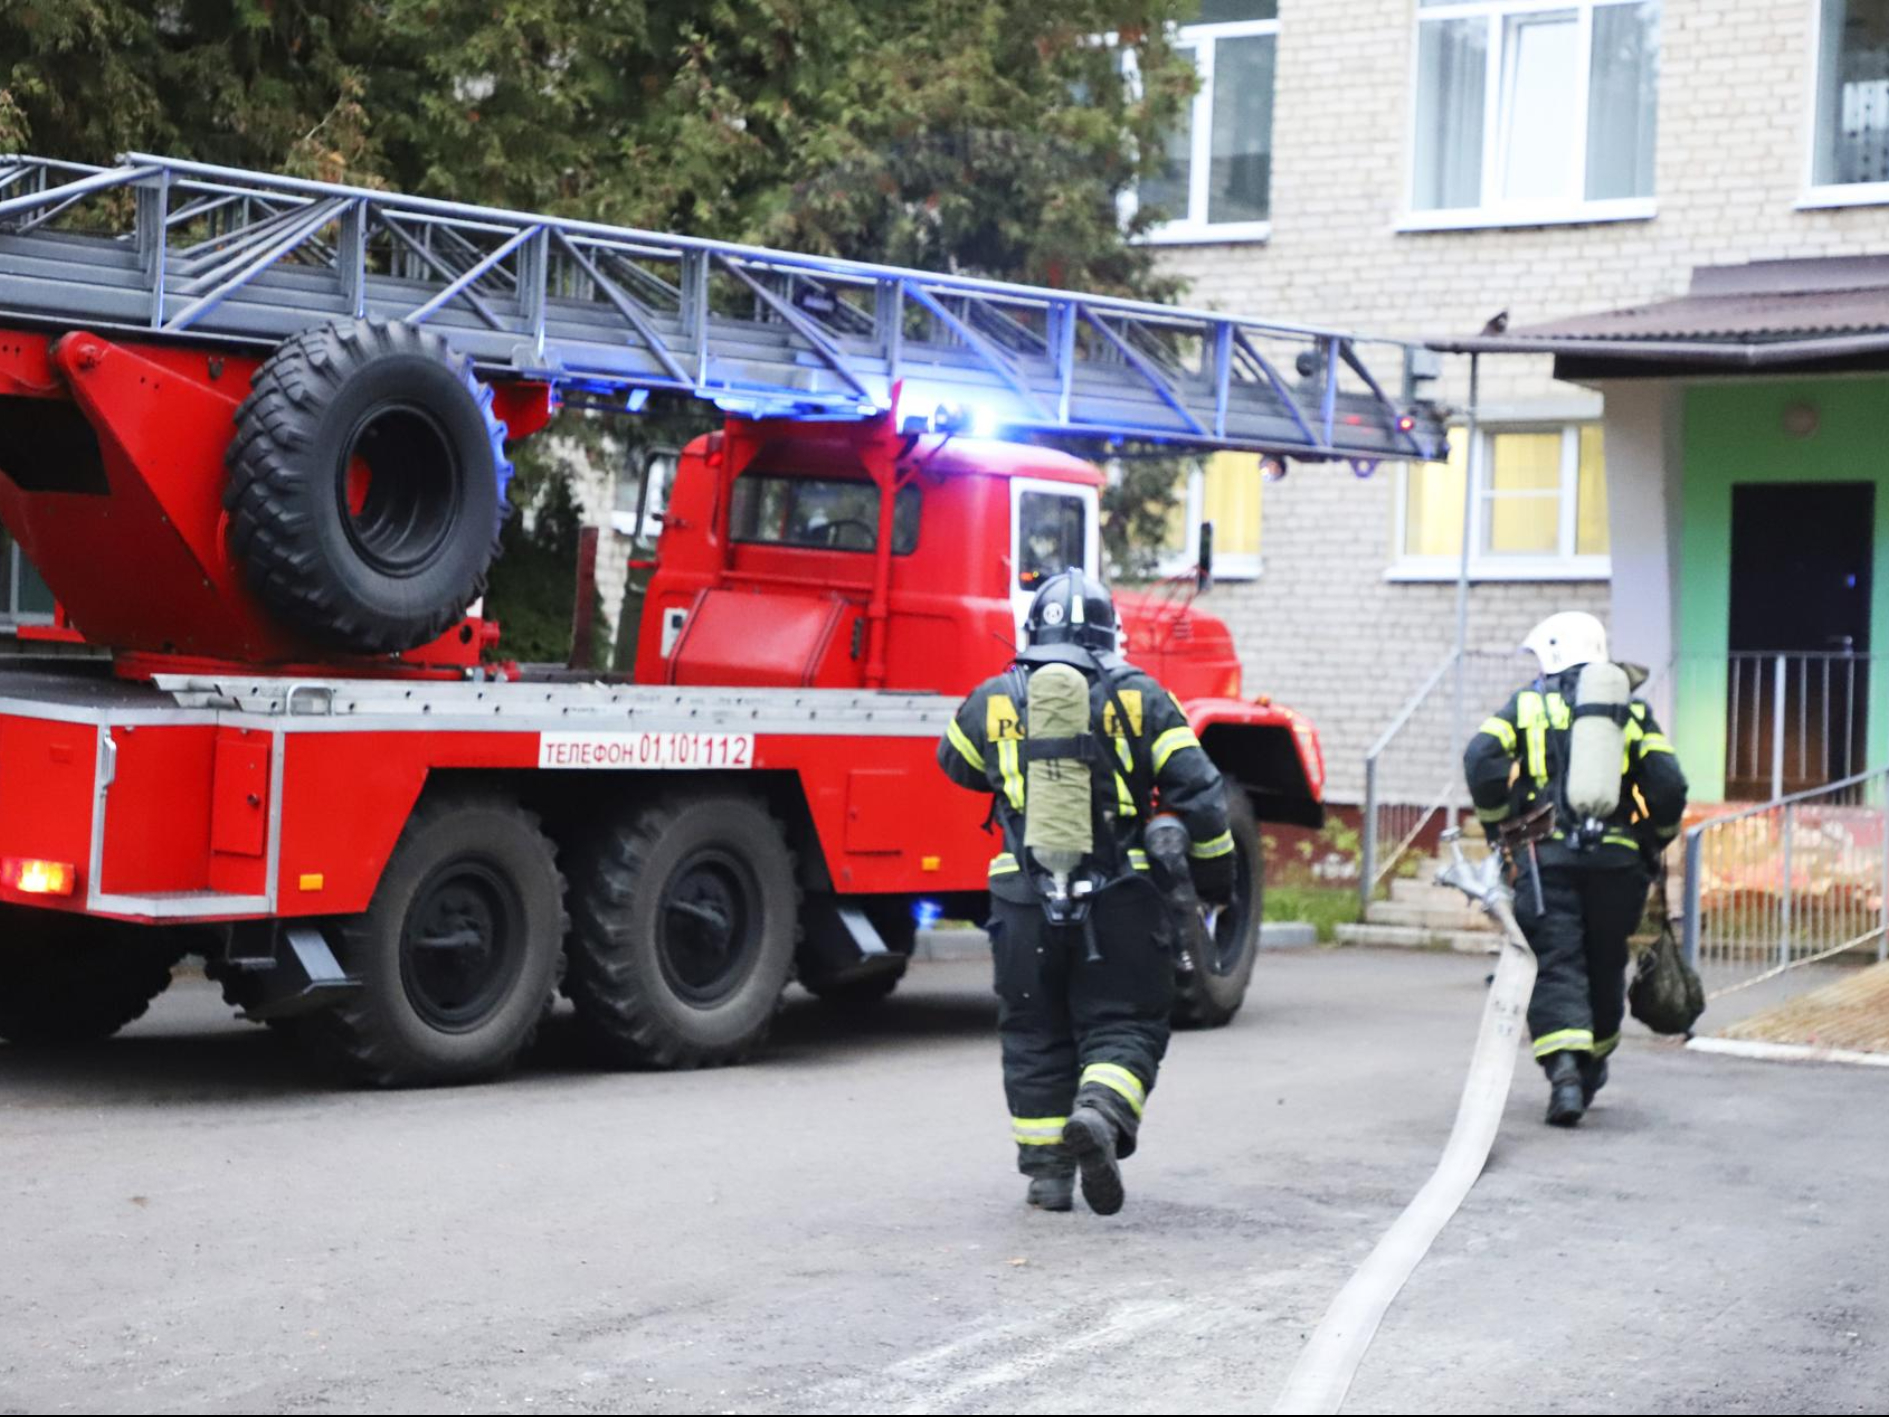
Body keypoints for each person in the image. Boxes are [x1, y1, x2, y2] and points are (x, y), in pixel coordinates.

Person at [935, 570, 1235, 1214]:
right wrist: (1215, 883)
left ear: (1031, 632)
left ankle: (1047, 1176)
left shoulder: (993, 698)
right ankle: (1100, 1111)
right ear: (1110, 635)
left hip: (1022, 900)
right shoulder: (1144, 698)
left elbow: (953, 763)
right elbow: (1204, 799)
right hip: (1121, 899)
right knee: (1125, 1022)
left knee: (1034, 1033)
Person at [1463, 611, 1688, 1126]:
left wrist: (1499, 826)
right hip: (1617, 863)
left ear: (1552, 653)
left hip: (1546, 861)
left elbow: (1481, 759)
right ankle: (1591, 1068)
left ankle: (1564, 1071)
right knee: (1605, 961)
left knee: (1555, 959)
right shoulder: (1628, 711)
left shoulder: (1527, 703)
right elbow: (1669, 785)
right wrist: (1653, 839)